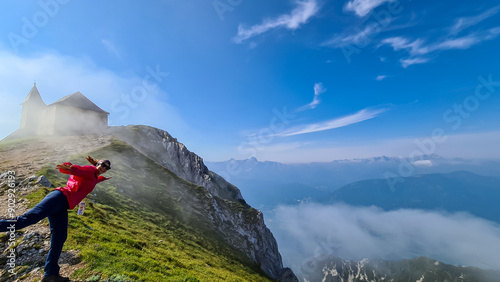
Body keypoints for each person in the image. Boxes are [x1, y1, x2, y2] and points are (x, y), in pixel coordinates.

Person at [0, 156, 111, 282]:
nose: (104, 168)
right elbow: (78, 170)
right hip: (59, 198)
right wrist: (71, 168)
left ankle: (50, 274)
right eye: (103, 165)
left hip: (63, 204)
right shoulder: (89, 170)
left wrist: (101, 178)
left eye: (107, 167)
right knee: (25, 221)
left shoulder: (94, 175)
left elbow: (92, 180)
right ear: (98, 163)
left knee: (60, 236)